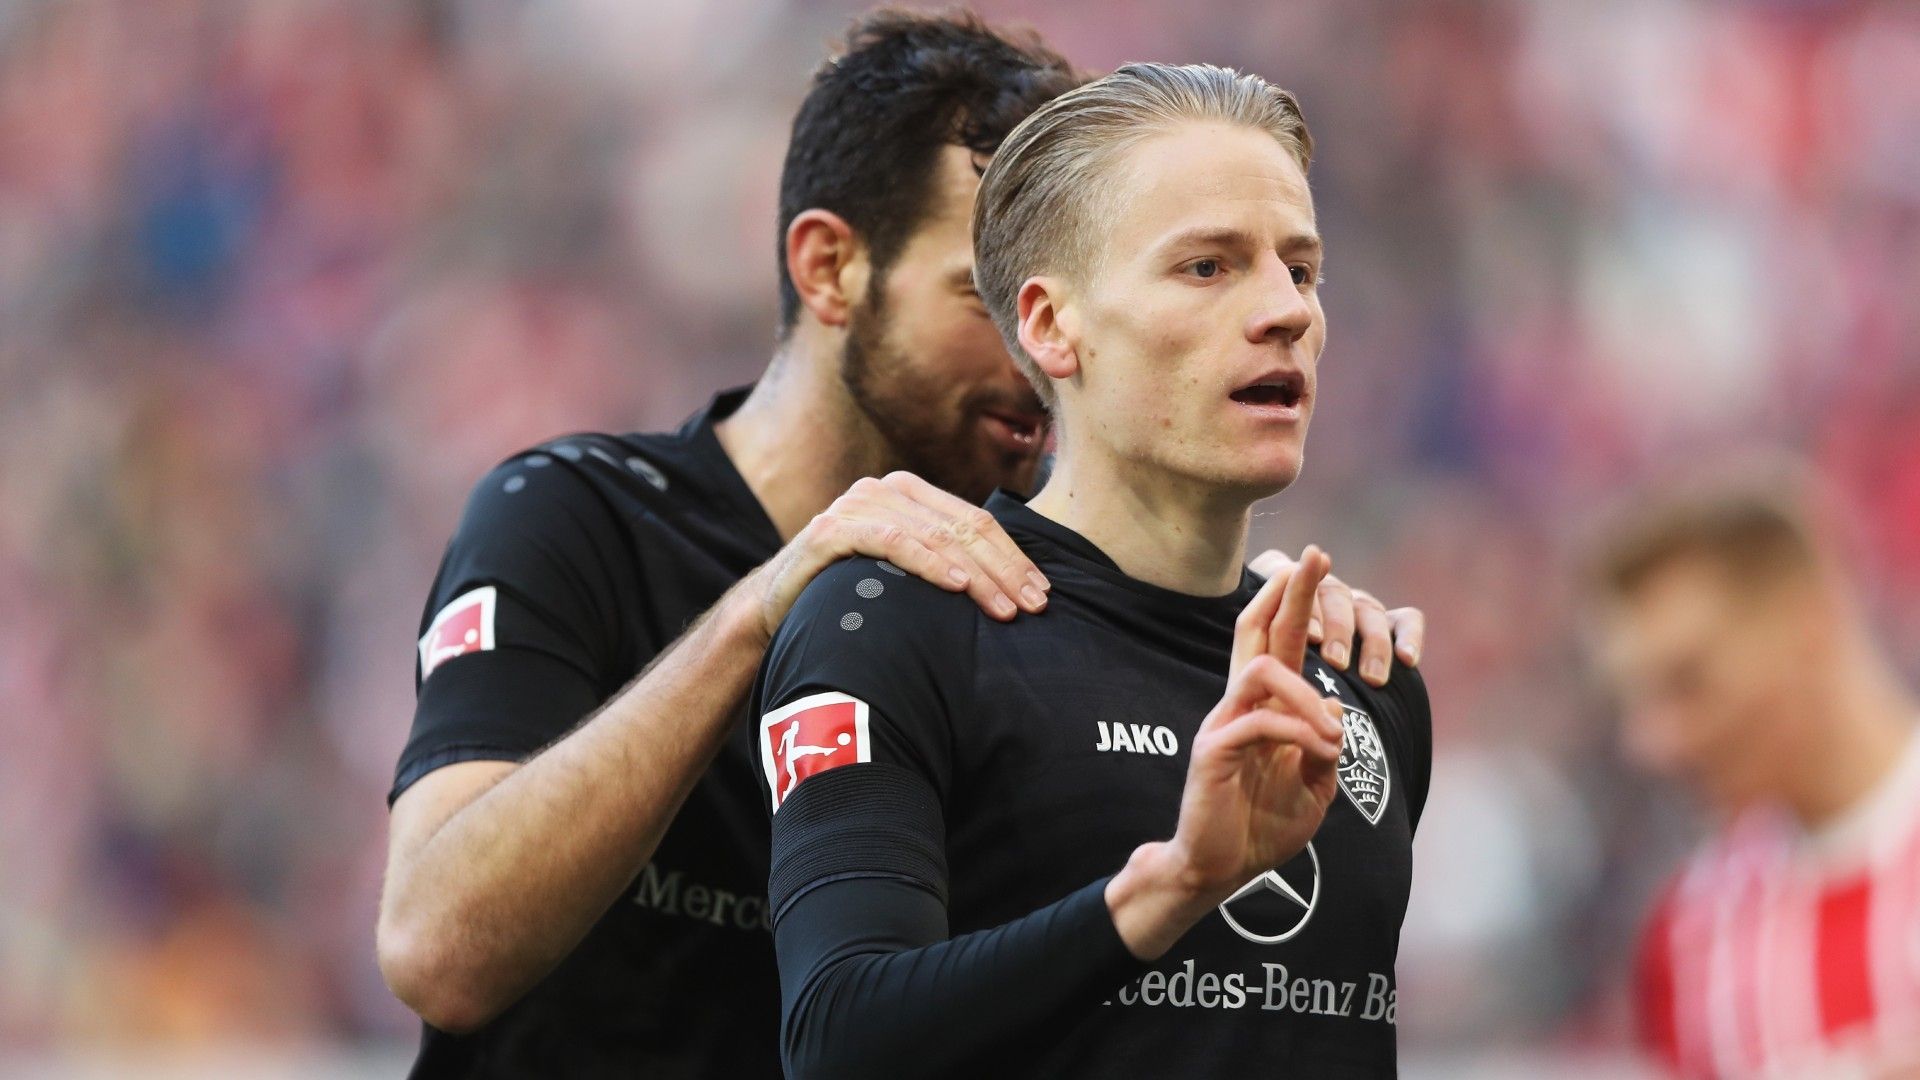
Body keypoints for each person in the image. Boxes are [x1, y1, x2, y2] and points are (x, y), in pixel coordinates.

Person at [376, 14, 1425, 1079]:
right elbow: (437, 951)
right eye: (985, 295)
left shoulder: (1003, 603)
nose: (1030, 357)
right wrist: (763, 608)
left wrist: (1281, 639)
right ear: (831, 268)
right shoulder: (590, 522)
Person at [753, 62, 1432, 1077]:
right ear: (1050, 325)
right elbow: (838, 1039)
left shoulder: (1358, 676)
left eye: (1300, 268)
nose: (1285, 309)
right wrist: (1172, 886)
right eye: (1208, 266)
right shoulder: (898, 620)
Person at [1589, 467, 1920, 1077]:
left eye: (1688, 682)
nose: (1653, 743)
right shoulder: (1688, 939)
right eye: (1637, 700)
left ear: (1811, 626)